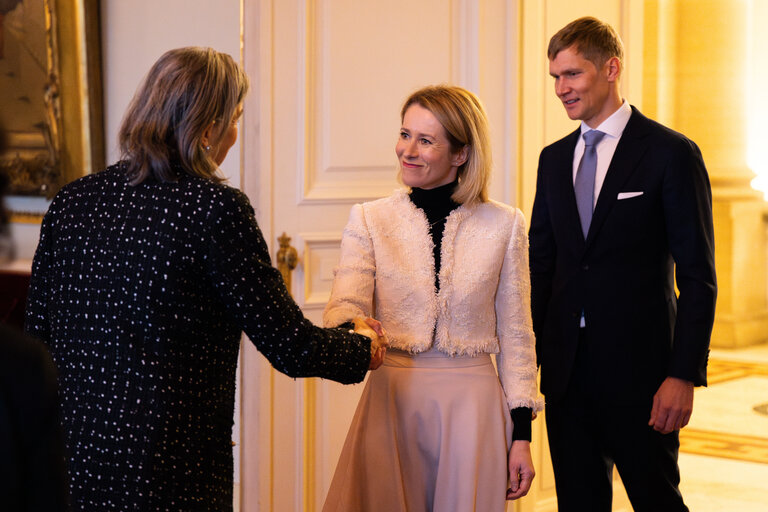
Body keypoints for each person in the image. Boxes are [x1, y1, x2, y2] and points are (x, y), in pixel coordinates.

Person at [24, 46, 387, 511]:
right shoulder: (214, 210)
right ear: (210, 128)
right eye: (234, 118)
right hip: (168, 471)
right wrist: (361, 345)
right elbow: (291, 345)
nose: (236, 132)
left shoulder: (72, 201)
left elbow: (38, 339)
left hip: (74, 460)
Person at [322, 85, 542, 512]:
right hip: (392, 398)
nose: (408, 150)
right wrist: (355, 326)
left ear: (460, 154)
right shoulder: (369, 218)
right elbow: (343, 307)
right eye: (405, 135)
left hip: (473, 408)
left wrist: (522, 439)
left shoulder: (505, 224)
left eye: (425, 140)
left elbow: (517, 335)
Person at [529, 17, 717, 512]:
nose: (560, 89)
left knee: (658, 503)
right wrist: (525, 368)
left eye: (571, 75)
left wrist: (683, 375)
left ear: (611, 68)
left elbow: (698, 277)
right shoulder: (552, 160)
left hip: (645, 380)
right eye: (555, 78)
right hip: (567, 378)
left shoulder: (670, 153)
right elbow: (541, 267)